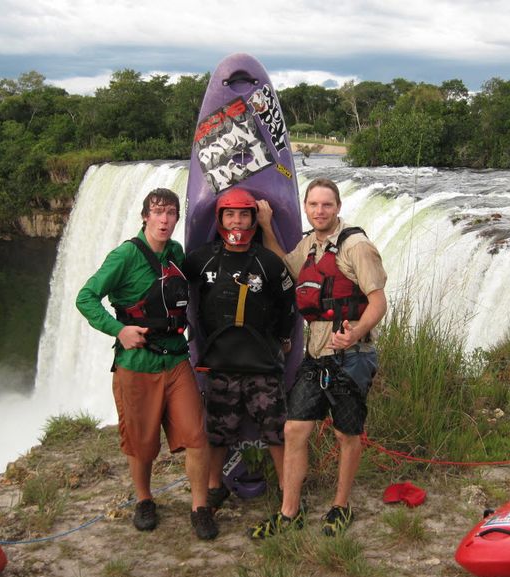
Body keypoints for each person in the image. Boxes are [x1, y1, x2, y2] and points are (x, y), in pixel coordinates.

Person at [75, 187, 218, 540]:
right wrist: (118, 329)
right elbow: (86, 297)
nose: (165, 219)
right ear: (145, 216)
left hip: (175, 358)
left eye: (171, 213)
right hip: (137, 362)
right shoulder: (124, 256)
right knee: (141, 443)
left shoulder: (175, 252)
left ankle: (200, 507)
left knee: (197, 436)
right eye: (158, 212)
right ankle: (144, 500)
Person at [250, 177, 387, 538]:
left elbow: (378, 302)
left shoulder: (356, 247)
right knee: (295, 428)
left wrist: (355, 332)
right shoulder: (310, 244)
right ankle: (289, 512)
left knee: (346, 434)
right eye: (313, 205)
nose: (320, 211)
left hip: (351, 355)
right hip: (316, 357)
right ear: (307, 208)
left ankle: (340, 506)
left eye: (326, 205)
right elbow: (286, 266)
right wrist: (265, 226)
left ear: (338, 207)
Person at [183, 188, 296, 511]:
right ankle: (214, 486)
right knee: (218, 433)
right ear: (220, 218)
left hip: (262, 365)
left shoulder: (269, 262)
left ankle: (287, 491)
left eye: (244, 214)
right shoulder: (202, 258)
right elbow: (170, 280)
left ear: (254, 219)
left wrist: (285, 338)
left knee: (276, 433)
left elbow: (289, 303)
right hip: (221, 364)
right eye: (230, 214)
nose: (237, 221)